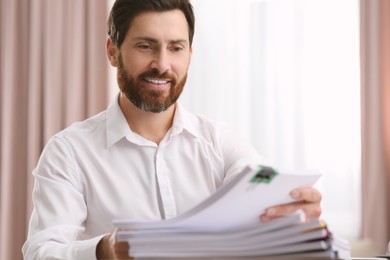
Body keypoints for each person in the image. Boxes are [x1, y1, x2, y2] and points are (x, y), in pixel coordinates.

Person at [22, 0, 322, 259]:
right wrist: (104, 251)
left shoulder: (221, 141)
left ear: (189, 55)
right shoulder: (69, 151)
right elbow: (40, 252)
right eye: (145, 46)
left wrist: (288, 206)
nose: (162, 64)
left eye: (175, 48)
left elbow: (259, 179)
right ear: (113, 52)